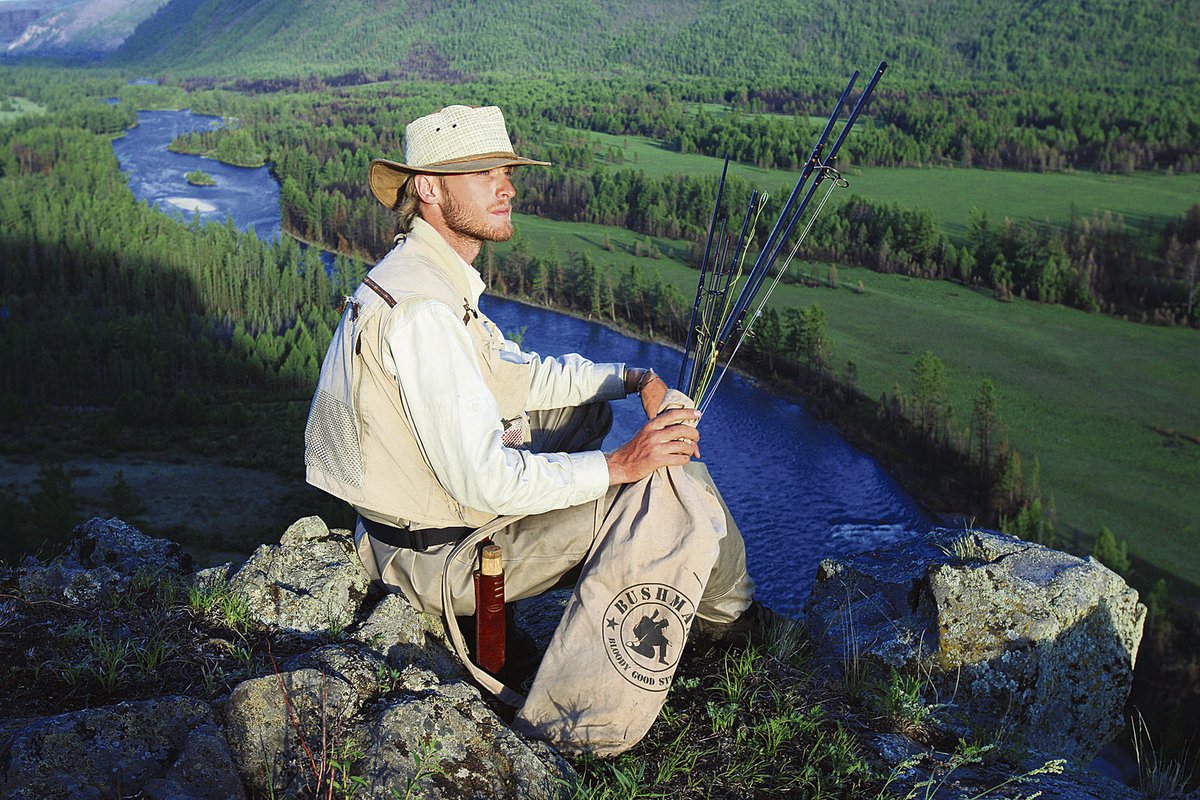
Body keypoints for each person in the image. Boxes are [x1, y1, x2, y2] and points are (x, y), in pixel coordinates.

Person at [304, 104, 768, 686]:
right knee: (672, 490)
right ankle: (733, 634)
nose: (508, 188)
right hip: (434, 562)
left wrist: (637, 379)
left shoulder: (423, 277)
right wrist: (623, 465)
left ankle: (506, 618)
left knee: (587, 407)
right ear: (427, 188)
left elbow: (525, 375)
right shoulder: (425, 312)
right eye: (485, 174)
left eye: (507, 172)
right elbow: (488, 482)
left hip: (414, 526)